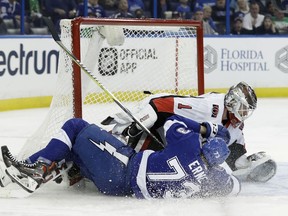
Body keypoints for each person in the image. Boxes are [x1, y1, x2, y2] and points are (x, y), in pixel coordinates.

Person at [0, 115, 240, 198]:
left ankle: (39, 169)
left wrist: (204, 130)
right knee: (73, 147)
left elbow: (171, 122)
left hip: (122, 166)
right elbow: (234, 186)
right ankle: (24, 172)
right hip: (120, 189)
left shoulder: (188, 145)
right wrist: (219, 168)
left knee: (75, 127)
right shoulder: (210, 180)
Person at [102, 82, 277, 183]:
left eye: (248, 111)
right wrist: (139, 122)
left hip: (174, 136)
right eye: (243, 109)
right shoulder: (210, 106)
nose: (245, 114)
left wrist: (250, 165)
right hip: (157, 116)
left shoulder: (236, 126)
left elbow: (234, 154)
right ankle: (108, 145)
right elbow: (161, 104)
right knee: (133, 155)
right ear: (233, 102)